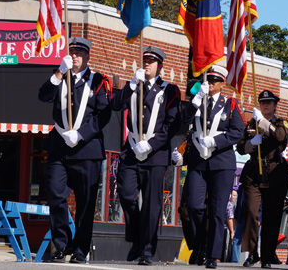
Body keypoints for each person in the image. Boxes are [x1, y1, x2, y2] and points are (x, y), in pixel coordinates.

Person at [38, 37, 111, 263]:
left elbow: (104, 115)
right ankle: (61, 245)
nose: (76, 56)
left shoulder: (99, 80)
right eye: (72, 52)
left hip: (87, 149)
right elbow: (43, 96)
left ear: (88, 56)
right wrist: (59, 72)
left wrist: (81, 134)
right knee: (55, 194)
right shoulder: (60, 76)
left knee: (85, 203)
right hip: (60, 146)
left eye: (80, 53)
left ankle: (80, 249)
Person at [110, 46, 182, 265]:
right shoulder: (133, 86)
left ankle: (147, 250)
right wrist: (131, 84)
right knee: (126, 193)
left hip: (156, 155)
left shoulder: (169, 90)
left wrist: (150, 145)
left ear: (160, 65)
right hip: (131, 150)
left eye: (151, 61)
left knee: (152, 205)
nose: (147, 64)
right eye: (145, 60)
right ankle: (137, 238)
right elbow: (115, 105)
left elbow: (172, 125)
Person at [182, 65, 245, 269]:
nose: (209, 84)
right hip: (198, 162)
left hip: (221, 163)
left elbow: (238, 132)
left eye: (213, 81)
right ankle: (200, 244)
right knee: (193, 206)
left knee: (218, 211)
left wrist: (217, 141)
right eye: (207, 80)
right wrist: (195, 101)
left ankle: (212, 254)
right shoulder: (198, 101)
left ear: (222, 84)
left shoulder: (230, 104)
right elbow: (184, 120)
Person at [237, 90, 288, 268]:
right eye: (262, 102)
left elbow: (280, 137)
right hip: (253, 171)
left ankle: (267, 256)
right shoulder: (251, 124)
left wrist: (263, 122)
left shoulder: (281, 122)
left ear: (275, 105)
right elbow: (240, 148)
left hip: (275, 172)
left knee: (271, 216)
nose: (265, 104)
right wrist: (251, 144)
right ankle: (252, 253)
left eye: (269, 102)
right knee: (251, 212)